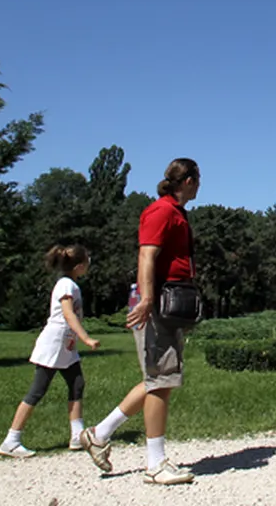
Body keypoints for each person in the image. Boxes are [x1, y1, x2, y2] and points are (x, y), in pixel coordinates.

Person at [80, 158, 200, 485]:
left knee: (157, 378)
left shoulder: (175, 212)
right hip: (157, 302)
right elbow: (147, 254)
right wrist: (147, 300)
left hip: (166, 302)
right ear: (188, 180)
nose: (199, 186)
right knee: (161, 380)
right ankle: (155, 464)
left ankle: (98, 434)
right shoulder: (161, 212)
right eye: (198, 179)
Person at [0, 245, 100, 458]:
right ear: (79, 266)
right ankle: (11, 440)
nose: (89, 265)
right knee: (38, 390)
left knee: (77, 383)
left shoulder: (70, 284)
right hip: (54, 344)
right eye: (87, 261)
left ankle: (77, 435)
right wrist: (86, 338)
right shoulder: (65, 285)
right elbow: (68, 315)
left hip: (65, 346)